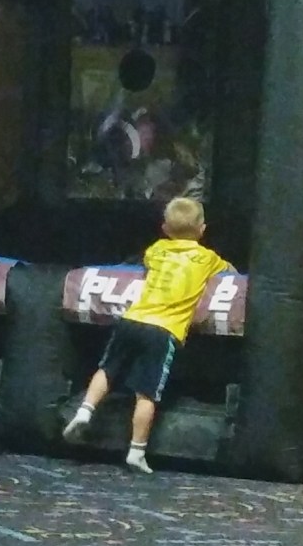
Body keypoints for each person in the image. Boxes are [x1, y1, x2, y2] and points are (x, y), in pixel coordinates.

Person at [63, 196, 235, 474]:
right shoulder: (207, 258)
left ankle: (85, 410)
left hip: (132, 319)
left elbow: (147, 261)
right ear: (203, 230)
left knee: (108, 369)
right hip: (162, 330)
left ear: (165, 228)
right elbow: (230, 273)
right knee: (146, 393)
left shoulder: (156, 249)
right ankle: (137, 451)